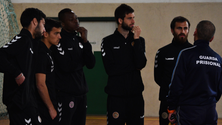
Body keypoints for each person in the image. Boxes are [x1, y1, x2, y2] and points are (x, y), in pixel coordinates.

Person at [167, 20, 222, 125]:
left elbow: (176, 85)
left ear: (195, 32)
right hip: (210, 111)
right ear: (212, 38)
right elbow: (219, 89)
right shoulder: (218, 59)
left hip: (189, 111)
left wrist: (171, 108)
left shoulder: (186, 54)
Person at [101, 4, 147, 125]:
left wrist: (136, 39)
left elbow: (141, 64)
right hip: (116, 97)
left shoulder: (139, 40)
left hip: (136, 97)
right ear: (120, 20)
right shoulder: (107, 41)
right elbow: (110, 69)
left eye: (134, 17)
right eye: (129, 18)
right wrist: (133, 65)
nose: (133, 21)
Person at [0, 8, 46, 125]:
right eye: (43, 24)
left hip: (27, 102)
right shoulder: (22, 40)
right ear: (35, 22)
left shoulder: (31, 43)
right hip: (19, 104)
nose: (44, 29)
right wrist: (16, 73)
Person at [51, 8, 95, 125]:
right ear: (63, 24)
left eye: (76, 18)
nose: (76, 21)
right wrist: (82, 61)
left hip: (81, 93)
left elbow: (91, 64)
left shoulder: (80, 39)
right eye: (71, 19)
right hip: (65, 95)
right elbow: (66, 66)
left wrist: (85, 41)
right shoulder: (59, 40)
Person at [154, 16, 192, 125]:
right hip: (167, 101)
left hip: (187, 102)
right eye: (179, 28)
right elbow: (158, 78)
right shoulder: (162, 52)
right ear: (172, 30)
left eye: (185, 28)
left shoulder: (194, 52)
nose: (182, 31)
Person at [35, 18, 61, 125]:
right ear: (45, 34)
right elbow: (40, 84)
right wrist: (51, 108)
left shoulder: (48, 52)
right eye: (56, 33)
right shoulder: (41, 54)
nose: (59, 37)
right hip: (43, 107)